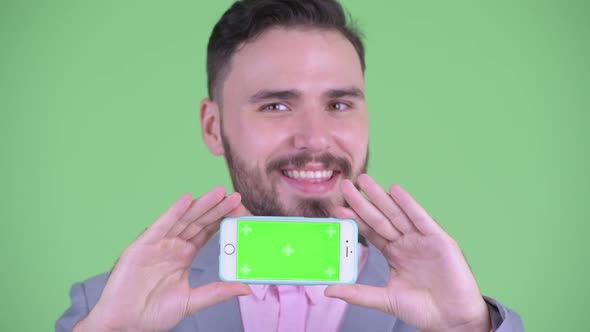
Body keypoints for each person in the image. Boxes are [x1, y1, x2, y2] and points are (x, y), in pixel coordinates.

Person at [56, 0, 524, 331]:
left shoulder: (454, 313)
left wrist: (467, 329)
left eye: (339, 104)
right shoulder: (103, 310)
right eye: (276, 106)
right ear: (212, 127)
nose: (316, 139)